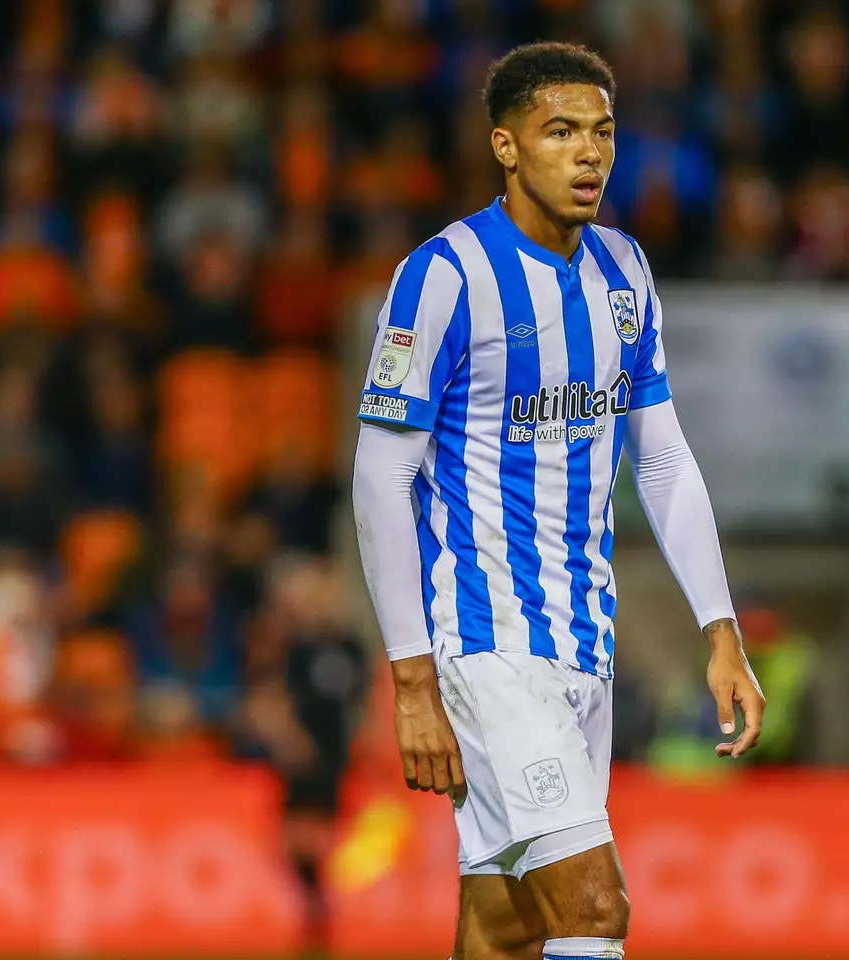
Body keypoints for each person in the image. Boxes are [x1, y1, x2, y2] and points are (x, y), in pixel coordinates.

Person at [351, 42, 765, 960]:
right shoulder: (445, 275)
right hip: (485, 641)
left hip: (585, 641)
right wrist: (413, 677)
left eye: (604, 134)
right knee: (595, 908)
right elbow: (380, 475)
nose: (589, 155)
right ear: (506, 146)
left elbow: (659, 457)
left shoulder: (625, 272)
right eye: (561, 132)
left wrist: (720, 625)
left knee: (505, 923)